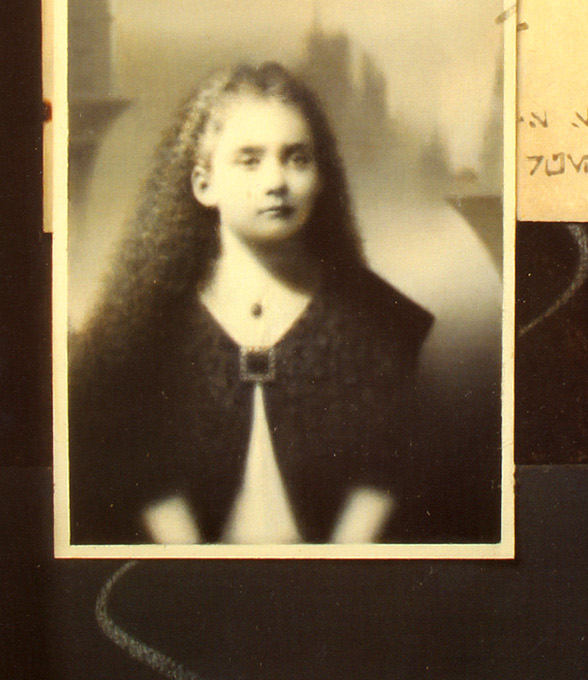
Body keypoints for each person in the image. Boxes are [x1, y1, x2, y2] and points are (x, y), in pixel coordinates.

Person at [67, 62, 434, 546]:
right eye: (249, 159)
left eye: (297, 158)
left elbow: (381, 483)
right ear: (204, 183)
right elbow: (147, 490)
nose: (276, 180)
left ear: (321, 177)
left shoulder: (386, 321)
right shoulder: (145, 332)